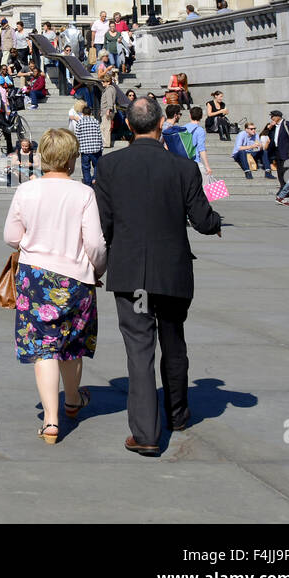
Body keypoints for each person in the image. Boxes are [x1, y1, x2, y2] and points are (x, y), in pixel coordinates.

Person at [95, 96, 223, 455]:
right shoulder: (184, 168)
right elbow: (203, 218)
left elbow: (102, 224)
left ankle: (146, 433)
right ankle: (178, 413)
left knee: (139, 351)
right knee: (174, 341)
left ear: (129, 127)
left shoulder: (109, 166)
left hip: (130, 271)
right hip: (172, 271)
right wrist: (215, 225)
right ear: (161, 125)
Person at [3, 127, 108, 444]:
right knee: (72, 342)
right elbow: (95, 244)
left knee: (44, 348)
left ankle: (50, 422)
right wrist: (98, 269)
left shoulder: (26, 190)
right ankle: (73, 400)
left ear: (42, 156)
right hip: (74, 277)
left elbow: (10, 236)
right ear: (72, 158)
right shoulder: (84, 193)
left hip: (35, 277)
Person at [69, 98, 104, 185]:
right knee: (96, 165)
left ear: (83, 113)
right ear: (90, 113)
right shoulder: (95, 121)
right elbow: (99, 135)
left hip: (84, 149)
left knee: (85, 167)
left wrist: (77, 149)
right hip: (96, 148)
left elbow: (77, 136)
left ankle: (87, 182)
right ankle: (95, 179)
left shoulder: (80, 123)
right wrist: (101, 147)